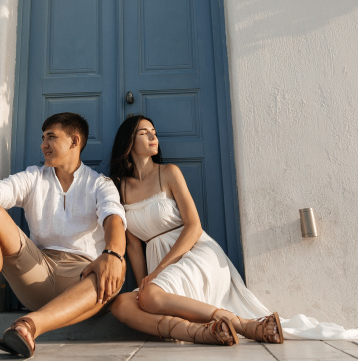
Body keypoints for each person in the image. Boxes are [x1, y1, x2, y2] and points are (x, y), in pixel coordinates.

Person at [0, 112, 127, 358]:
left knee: (116, 262)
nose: (43, 144)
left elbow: (114, 220)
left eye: (51, 137)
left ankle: (29, 326)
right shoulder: (34, 177)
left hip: (83, 280)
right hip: (38, 272)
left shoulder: (99, 184)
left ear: (74, 141)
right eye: (42, 138)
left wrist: (112, 253)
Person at [108, 114, 282, 346]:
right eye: (144, 132)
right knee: (121, 305)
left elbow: (194, 226)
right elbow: (133, 245)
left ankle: (243, 325)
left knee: (150, 296)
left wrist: (159, 270)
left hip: (193, 252)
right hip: (159, 266)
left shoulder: (168, 172)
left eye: (154, 132)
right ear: (128, 141)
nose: (153, 136)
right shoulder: (120, 187)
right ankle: (200, 332)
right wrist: (143, 287)